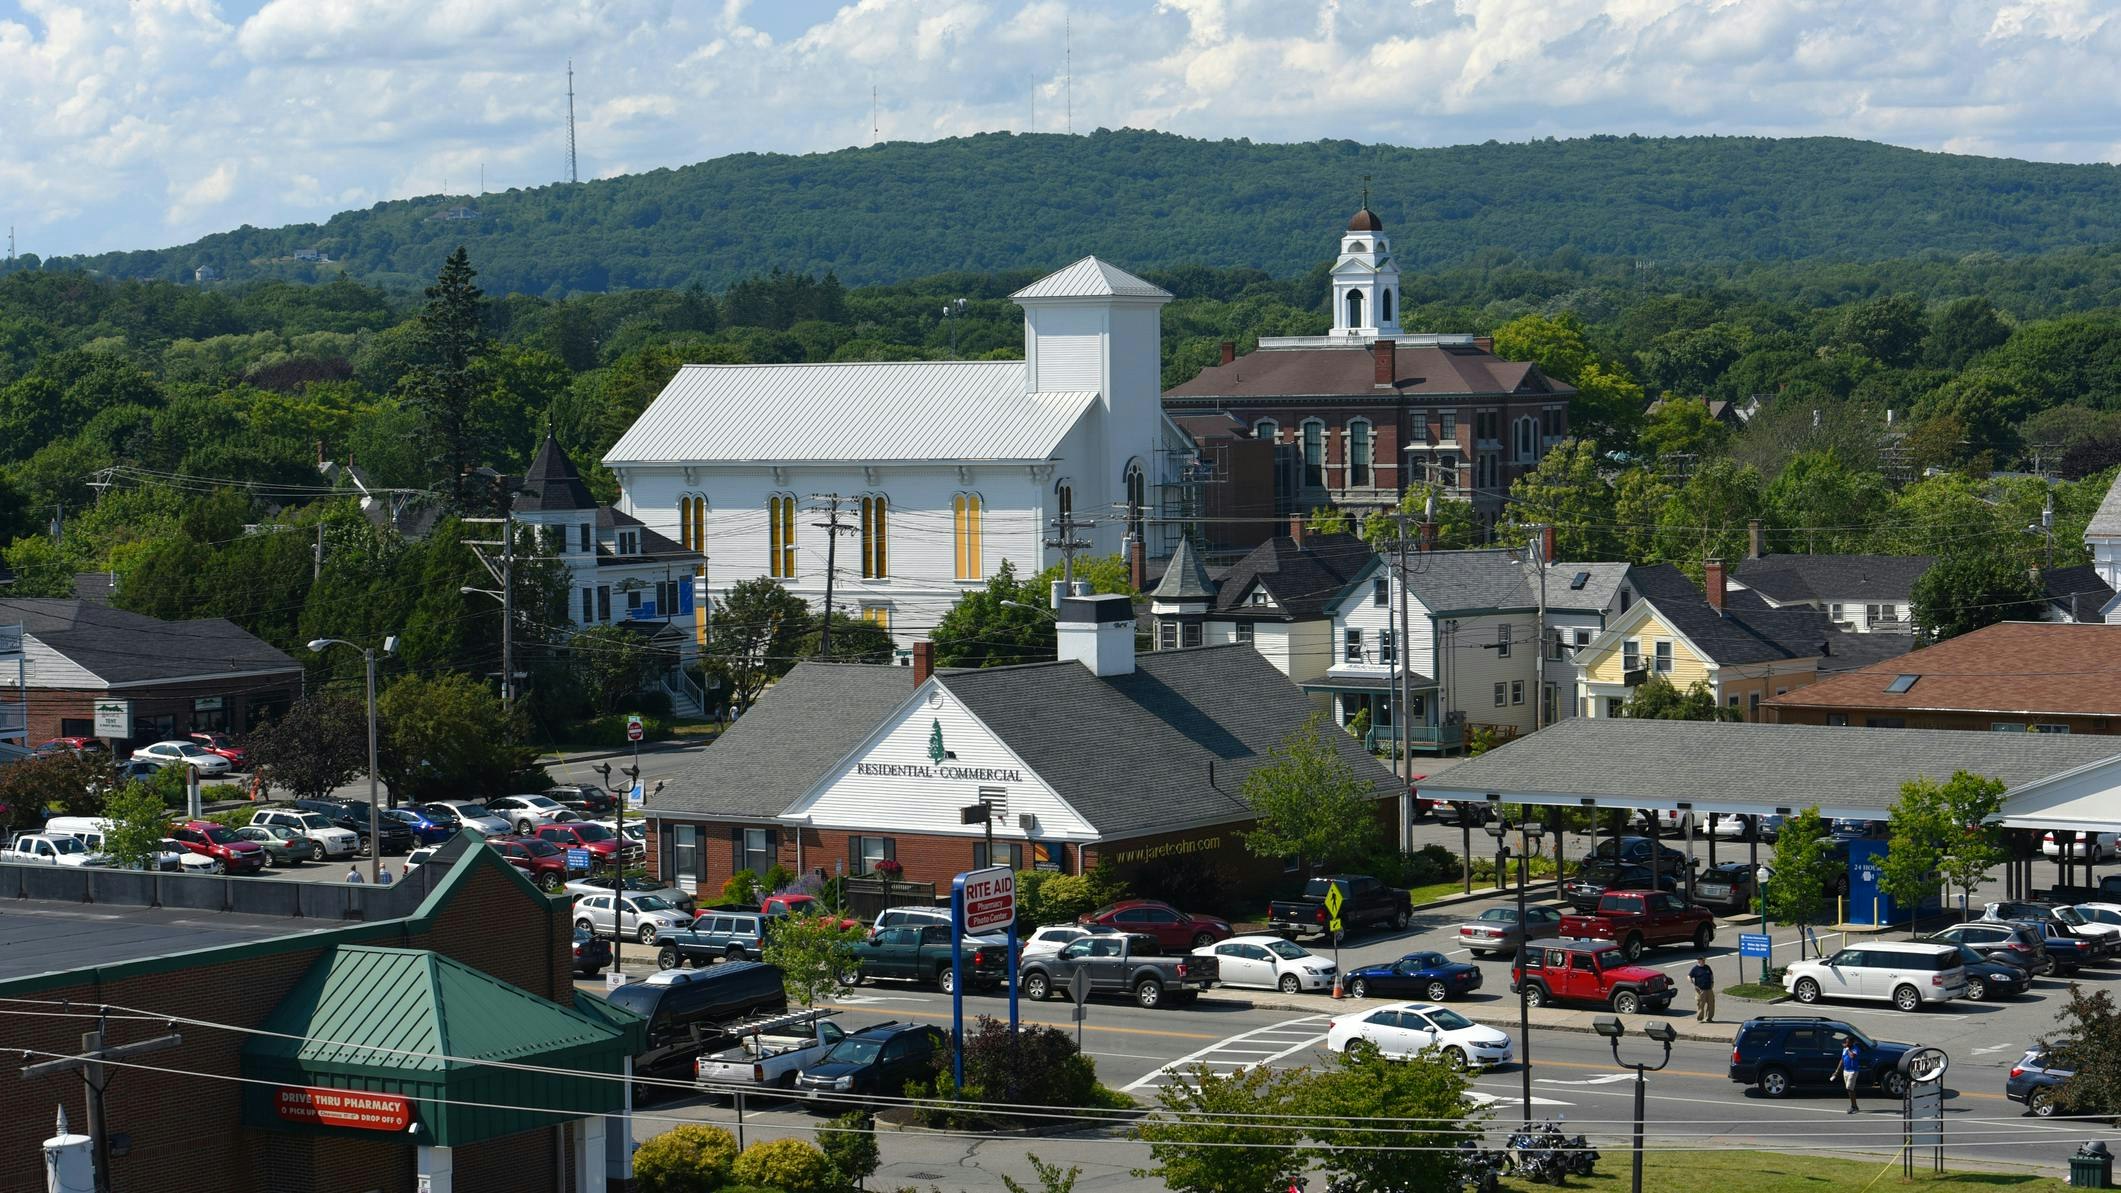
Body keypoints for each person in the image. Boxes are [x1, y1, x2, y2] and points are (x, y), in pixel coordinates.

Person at [1688, 957, 1715, 1022]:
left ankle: (1709, 1018)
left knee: (1711, 1004)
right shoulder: (1695, 969)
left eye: (1704, 960)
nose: (1704, 961)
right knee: (1700, 1004)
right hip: (1700, 990)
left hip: (1709, 989)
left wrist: (1712, 982)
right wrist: (1693, 984)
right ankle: (1700, 1018)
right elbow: (1689, 976)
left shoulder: (1707, 967)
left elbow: (1711, 975)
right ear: (1699, 961)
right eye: (1702, 960)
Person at [1840, 1037, 1862, 1112]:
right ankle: (1854, 1106)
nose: (1847, 1044)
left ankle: (1854, 1107)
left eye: (1848, 1042)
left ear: (1852, 1043)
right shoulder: (1845, 1049)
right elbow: (1842, 1059)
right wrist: (1836, 1071)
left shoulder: (1855, 1049)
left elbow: (1852, 1056)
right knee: (1849, 1089)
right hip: (1845, 1071)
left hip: (1853, 1071)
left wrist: (1847, 1049)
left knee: (1849, 1088)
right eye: (1846, 1042)